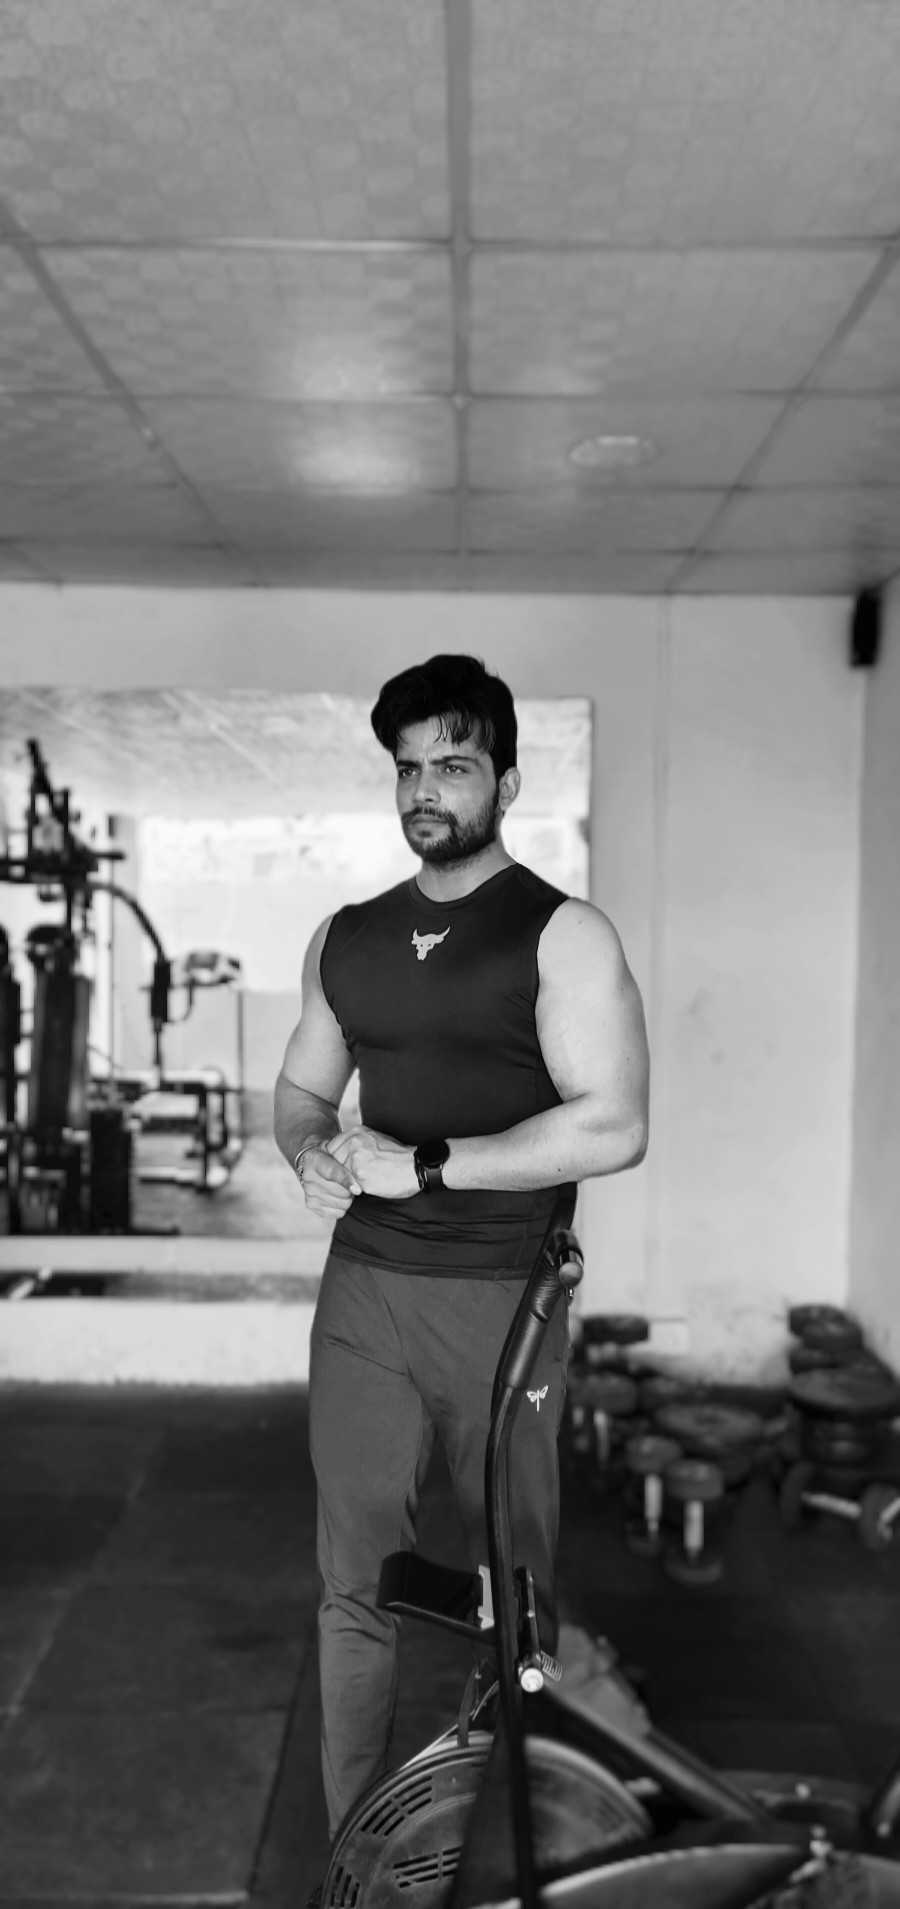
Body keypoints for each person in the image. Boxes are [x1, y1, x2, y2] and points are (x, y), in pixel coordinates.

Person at [274, 653, 649, 1843]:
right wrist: (309, 1152)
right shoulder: (348, 936)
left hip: (501, 1294)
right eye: (408, 769)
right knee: (354, 1580)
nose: (426, 788)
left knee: (512, 1585)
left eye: (453, 763)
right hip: (364, 1295)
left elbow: (616, 1123)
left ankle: (507, 1841)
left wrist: (430, 1163)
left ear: (507, 781)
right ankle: (358, 1857)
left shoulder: (560, 932)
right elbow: (299, 1092)